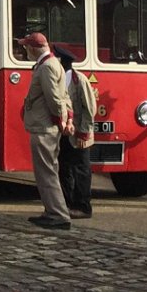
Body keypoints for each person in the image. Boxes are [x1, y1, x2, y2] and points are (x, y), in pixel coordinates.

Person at [18, 31, 73, 229]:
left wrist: (60, 120)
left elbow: (54, 98)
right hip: (46, 125)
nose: (25, 51)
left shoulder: (47, 67)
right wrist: (68, 118)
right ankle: (52, 210)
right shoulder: (52, 64)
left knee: (46, 172)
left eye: (26, 47)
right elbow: (63, 95)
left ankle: (57, 213)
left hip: (44, 127)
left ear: (33, 48)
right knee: (48, 170)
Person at [54, 46, 97, 219]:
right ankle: (67, 204)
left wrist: (84, 133)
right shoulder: (58, 79)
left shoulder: (80, 81)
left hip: (79, 133)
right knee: (64, 169)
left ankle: (83, 206)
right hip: (64, 133)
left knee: (81, 171)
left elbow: (90, 108)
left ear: (62, 62)